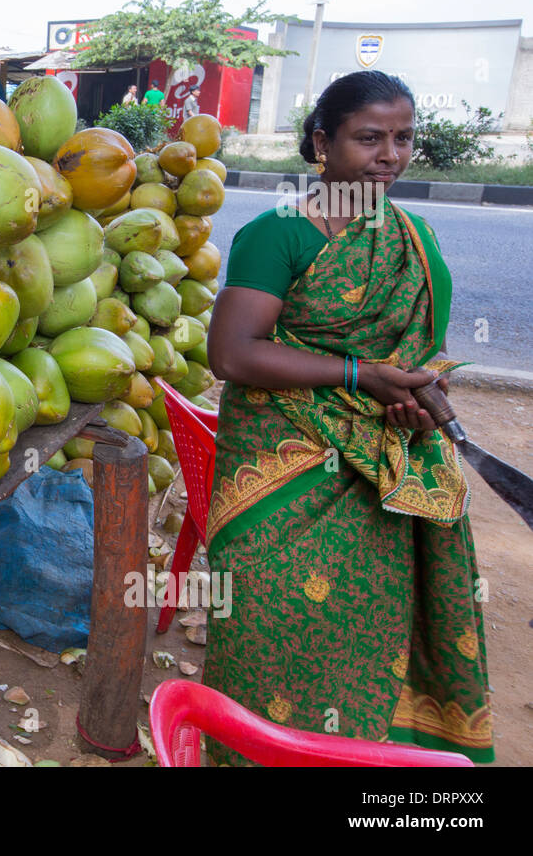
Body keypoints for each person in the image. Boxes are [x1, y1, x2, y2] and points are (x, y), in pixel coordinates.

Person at [202, 69, 492, 764]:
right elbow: (233, 354)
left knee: (368, 640)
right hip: (284, 468)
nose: (389, 154)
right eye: (369, 138)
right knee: (267, 625)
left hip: (382, 472)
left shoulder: (415, 243)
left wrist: (420, 401)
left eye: (402, 139)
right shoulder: (278, 235)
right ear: (321, 144)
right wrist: (362, 376)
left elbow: (426, 355)